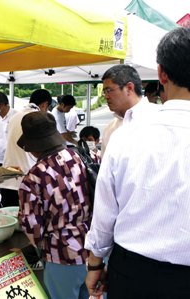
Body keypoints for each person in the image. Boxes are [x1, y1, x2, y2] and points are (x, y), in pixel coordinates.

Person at [84, 27, 190, 299]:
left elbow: (105, 212)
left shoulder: (127, 135)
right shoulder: (123, 132)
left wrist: (95, 262)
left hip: (134, 274)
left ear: (161, 73)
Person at [18, 111, 91, 299]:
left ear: (33, 146)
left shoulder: (34, 177)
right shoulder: (76, 157)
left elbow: (30, 224)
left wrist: (41, 246)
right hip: (91, 247)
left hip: (61, 254)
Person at [0, 89, 52, 207]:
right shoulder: (39, 118)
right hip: (27, 181)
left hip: (7, 181)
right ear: (45, 104)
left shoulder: (14, 117)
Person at [100, 65, 157, 158]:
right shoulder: (109, 130)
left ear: (129, 88)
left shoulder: (159, 118)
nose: (106, 96)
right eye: (104, 92)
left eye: (109, 90)